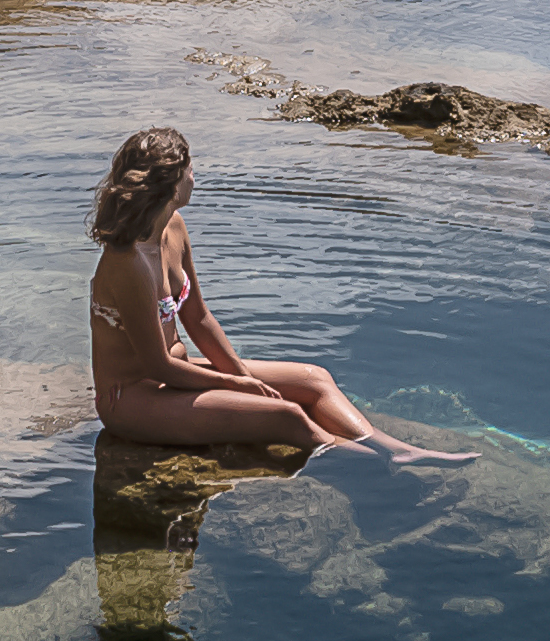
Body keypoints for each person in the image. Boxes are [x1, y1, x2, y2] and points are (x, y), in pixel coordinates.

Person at [84, 127, 473, 465]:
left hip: (175, 377)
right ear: (169, 186)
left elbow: (199, 320)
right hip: (133, 399)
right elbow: (157, 367)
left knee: (313, 379)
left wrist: (239, 374)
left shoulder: (174, 227)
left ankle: (391, 449)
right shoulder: (128, 262)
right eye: (190, 170)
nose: (194, 178)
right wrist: (238, 386)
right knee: (286, 416)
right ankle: (371, 466)